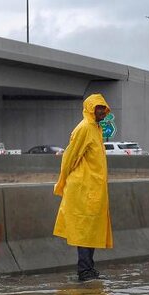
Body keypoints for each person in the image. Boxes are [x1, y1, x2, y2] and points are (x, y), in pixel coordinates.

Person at [53, 93, 113, 281]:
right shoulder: (85, 128)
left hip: (93, 188)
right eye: (98, 108)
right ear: (90, 109)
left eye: (103, 107)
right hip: (83, 188)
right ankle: (85, 270)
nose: (102, 111)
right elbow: (70, 157)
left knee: (92, 229)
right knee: (85, 230)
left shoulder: (96, 128)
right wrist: (63, 181)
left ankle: (88, 268)